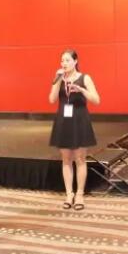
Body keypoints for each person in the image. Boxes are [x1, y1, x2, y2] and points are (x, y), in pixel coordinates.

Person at [49, 49, 100, 210]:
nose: (64, 63)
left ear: (75, 61)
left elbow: (96, 100)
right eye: (62, 60)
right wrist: (57, 80)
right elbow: (52, 99)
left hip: (79, 121)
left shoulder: (85, 78)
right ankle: (69, 194)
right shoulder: (59, 78)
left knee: (80, 159)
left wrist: (82, 90)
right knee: (66, 159)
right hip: (63, 121)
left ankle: (79, 194)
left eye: (67, 60)